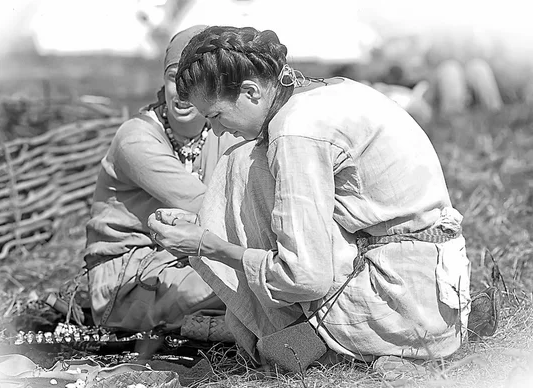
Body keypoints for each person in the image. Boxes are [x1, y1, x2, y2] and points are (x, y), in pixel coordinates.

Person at [147, 26, 471, 370]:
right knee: (245, 157)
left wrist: (208, 245)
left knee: (241, 166)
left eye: (215, 115)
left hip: (404, 308)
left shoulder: (297, 131)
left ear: (251, 91)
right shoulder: (326, 90)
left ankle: (300, 336)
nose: (216, 130)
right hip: (438, 290)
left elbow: (305, 277)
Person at [83, 25, 240, 332]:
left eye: (193, 81)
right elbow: (205, 206)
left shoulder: (221, 132)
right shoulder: (136, 141)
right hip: (129, 278)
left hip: (193, 257)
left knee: (254, 281)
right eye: (173, 77)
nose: (181, 92)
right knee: (242, 283)